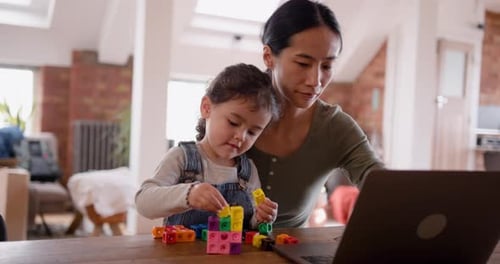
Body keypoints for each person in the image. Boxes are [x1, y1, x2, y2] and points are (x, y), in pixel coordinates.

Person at [246, 0, 384, 227]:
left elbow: (377, 180)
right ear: (269, 57)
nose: (316, 81)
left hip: (288, 254)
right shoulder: (234, 111)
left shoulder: (336, 128)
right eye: (302, 63)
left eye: (327, 66)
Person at [135, 63, 280, 230]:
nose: (241, 136)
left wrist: (262, 217)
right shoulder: (181, 157)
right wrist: (189, 194)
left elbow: (252, 223)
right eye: (233, 122)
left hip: (232, 256)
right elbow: (143, 201)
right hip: (180, 255)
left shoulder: (248, 172)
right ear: (207, 108)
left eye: (253, 132)